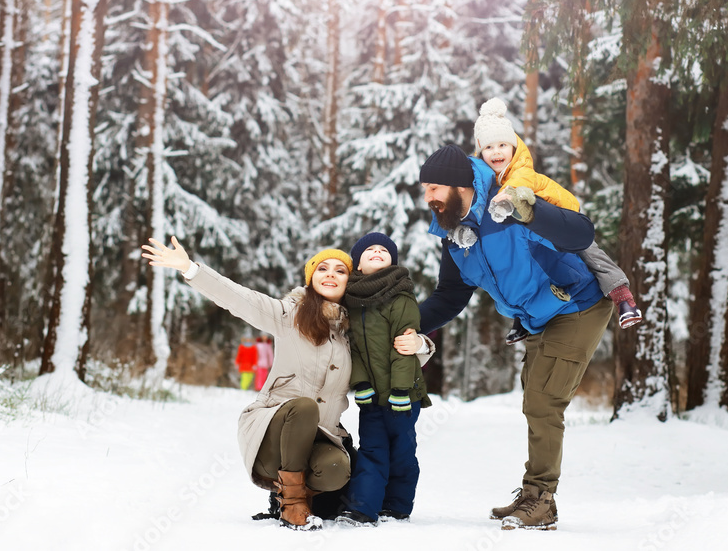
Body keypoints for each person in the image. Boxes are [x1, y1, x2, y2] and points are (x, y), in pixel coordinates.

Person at [416, 144, 614, 531]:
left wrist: (532, 212)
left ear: (460, 186)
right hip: (538, 317)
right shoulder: (455, 234)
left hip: (578, 305)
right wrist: (404, 322)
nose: (428, 198)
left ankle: (541, 502)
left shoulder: (511, 198)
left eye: (435, 188)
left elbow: (580, 231)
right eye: (425, 189)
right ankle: (531, 496)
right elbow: (451, 295)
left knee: (543, 402)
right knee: (534, 400)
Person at [142, 238, 355, 530]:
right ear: (310, 278)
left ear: (348, 282)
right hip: (272, 438)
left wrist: (418, 345)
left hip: (319, 439)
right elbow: (239, 298)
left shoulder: (349, 334)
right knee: (303, 408)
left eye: (340, 271)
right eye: (323, 268)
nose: (331, 274)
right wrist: (191, 269)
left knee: (336, 470)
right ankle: (293, 505)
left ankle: (290, 494)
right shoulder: (289, 314)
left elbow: (387, 358)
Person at [473, 97, 642, 343]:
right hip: (532, 228)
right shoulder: (487, 181)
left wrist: (504, 201)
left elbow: (515, 188)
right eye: (489, 147)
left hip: (562, 217)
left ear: (514, 148)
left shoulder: (521, 171)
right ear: (480, 152)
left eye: (502, 145)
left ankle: (623, 298)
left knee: (588, 252)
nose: (496, 152)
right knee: (521, 264)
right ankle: (523, 319)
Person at [335, 232, 432, 527]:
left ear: (392, 263)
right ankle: (362, 508)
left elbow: (404, 348)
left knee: (402, 451)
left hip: (404, 396)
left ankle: (397, 505)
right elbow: (354, 350)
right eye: (370, 250)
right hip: (372, 399)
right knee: (372, 450)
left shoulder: (401, 298)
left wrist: (401, 389)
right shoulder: (351, 301)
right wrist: (361, 384)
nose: (377, 251)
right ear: (358, 265)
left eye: (384, 250)